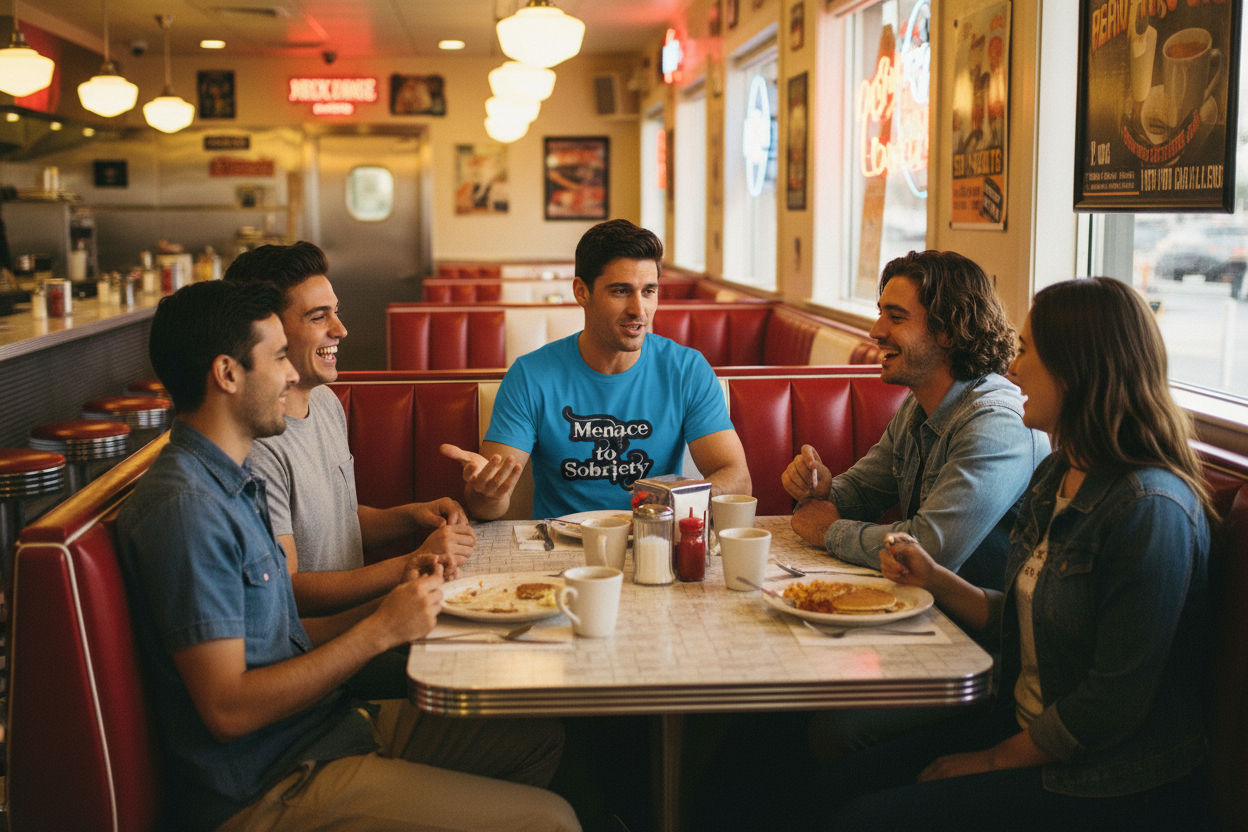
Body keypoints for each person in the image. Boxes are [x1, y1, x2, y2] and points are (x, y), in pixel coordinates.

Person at [117, 280, 577, 832]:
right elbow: (228, 709)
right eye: (280, 356)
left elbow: (282, 637)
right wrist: (380, 629)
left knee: (535, 736)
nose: (292, 375)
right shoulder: (187, 509)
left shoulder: (231, 481)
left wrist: (405, 599)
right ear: (228, 374)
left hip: (321, 728)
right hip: (270, 784)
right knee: (551, 821)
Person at [809, 277, 1212, 830]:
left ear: (1078, 371)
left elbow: (1110, 705)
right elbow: (1027, 619)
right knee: (828, 785)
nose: (1013, 367)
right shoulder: (1059, 473)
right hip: (1019, 722)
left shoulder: (1151, 508)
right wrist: (934, 578)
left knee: (854, 817)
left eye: (1027, 351)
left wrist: (991, 761)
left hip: (1102, 781)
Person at [224, 241, 475, 619]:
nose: (340, 330)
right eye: (318, 317)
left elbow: (338, 522)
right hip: (327, 643)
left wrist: (414, 516)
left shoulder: (326, 402)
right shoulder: (257, 446)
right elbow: (289, 590)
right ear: (267, 330)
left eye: (336, 313)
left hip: (366, 621)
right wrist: (413, 561)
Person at [441, 219, 750, 520]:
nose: (638, 309)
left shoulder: (687, 369)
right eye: (620, 291)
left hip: (654, 540)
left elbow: (737, 478)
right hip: (561, 550)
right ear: (581, 292)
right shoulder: (530, 375)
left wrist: (670, 502)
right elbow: (485, 507)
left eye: (649, 291)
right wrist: (487, 493)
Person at [784, 249, 1049, 591]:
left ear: (949, 331)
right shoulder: (919, 402)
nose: (875, 331)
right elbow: (864, 490)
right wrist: (823, 490)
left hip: (982, 635)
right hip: (926, 611)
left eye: (895, 317)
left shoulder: (997, 422)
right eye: (880, 313)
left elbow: (931, 549)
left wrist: (828, 531)